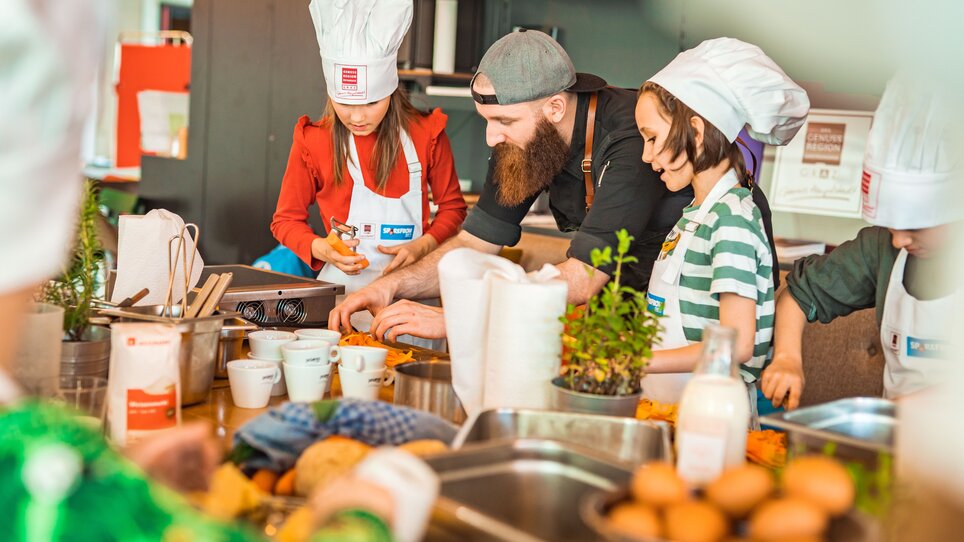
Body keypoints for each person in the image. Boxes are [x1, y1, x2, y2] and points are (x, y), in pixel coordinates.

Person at [329, 29, 691, 341]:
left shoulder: (629, 137)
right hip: (614, 309)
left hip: (680, 305)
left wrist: (464, 317)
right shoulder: (519, 141)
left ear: (554, 108)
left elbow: (583, 276)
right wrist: (389, 285)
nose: (491, 137)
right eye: (487, 120)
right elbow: (474, 243)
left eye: (504, 120)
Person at [271, 0, 466, 345]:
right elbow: (285, 221)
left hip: (410, 302)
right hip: (343, 301)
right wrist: (321, 248)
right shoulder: (314, 140)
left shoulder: (426, 133)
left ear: (390, 91)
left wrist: (423, 245)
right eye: (345, 104)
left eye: (371, 103)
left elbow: (453, 209)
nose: (357, 117)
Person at [761, 75, 962, 410]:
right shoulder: (881, 249)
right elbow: (799, 293)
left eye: (916, 227)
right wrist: (786, 358)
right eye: (891, 224)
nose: (899, 239)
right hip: (895, 449)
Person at [633, 38, 810, 412]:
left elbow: (739, 342)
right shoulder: (698, 212)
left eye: (652, 138)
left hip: (712, 414)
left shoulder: (731, 219)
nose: (647, 156)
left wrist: (639, 362)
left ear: (696, 131)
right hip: (670, 406)